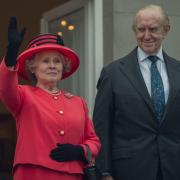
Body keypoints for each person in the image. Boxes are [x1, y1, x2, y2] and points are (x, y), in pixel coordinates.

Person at [0, 17, 101, 180]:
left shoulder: (78, 103)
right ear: (33, 67)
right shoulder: (23, 96)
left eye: (57, 61)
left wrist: (80, 151)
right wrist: (11, 52)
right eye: (45, 61)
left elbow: (93, 141)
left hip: (72, 175)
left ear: (64, 67)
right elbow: (5, 87)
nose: (52, 66)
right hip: (34, 174)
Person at [93, 4, 180, 180]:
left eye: (153, 29)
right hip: (129, 170)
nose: (146, 36)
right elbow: (102, 126)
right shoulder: (113, 73)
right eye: (140, 29)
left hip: (173, 168)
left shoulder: (178, 70)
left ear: (166, 30)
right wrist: (104, 172)